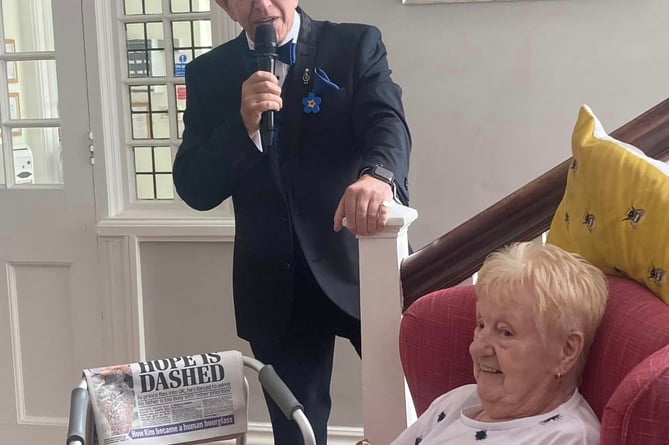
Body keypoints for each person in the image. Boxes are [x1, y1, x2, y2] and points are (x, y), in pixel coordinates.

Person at [172, 1, 411, 444]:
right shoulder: (208, 73)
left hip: (359, 260)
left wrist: (378, 177)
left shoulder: (355, 44)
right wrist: (241, 126)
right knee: (297, 432)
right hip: (273, 285)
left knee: (415, 403)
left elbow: (388, 123)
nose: (263, 5)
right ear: (226, 6)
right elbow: (194, 188)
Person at [389, 242, 608, 445]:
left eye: (505, 333)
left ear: (566, 351)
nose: (476, 349)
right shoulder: (459, 400)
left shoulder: (566, 438)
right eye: (481, 325)